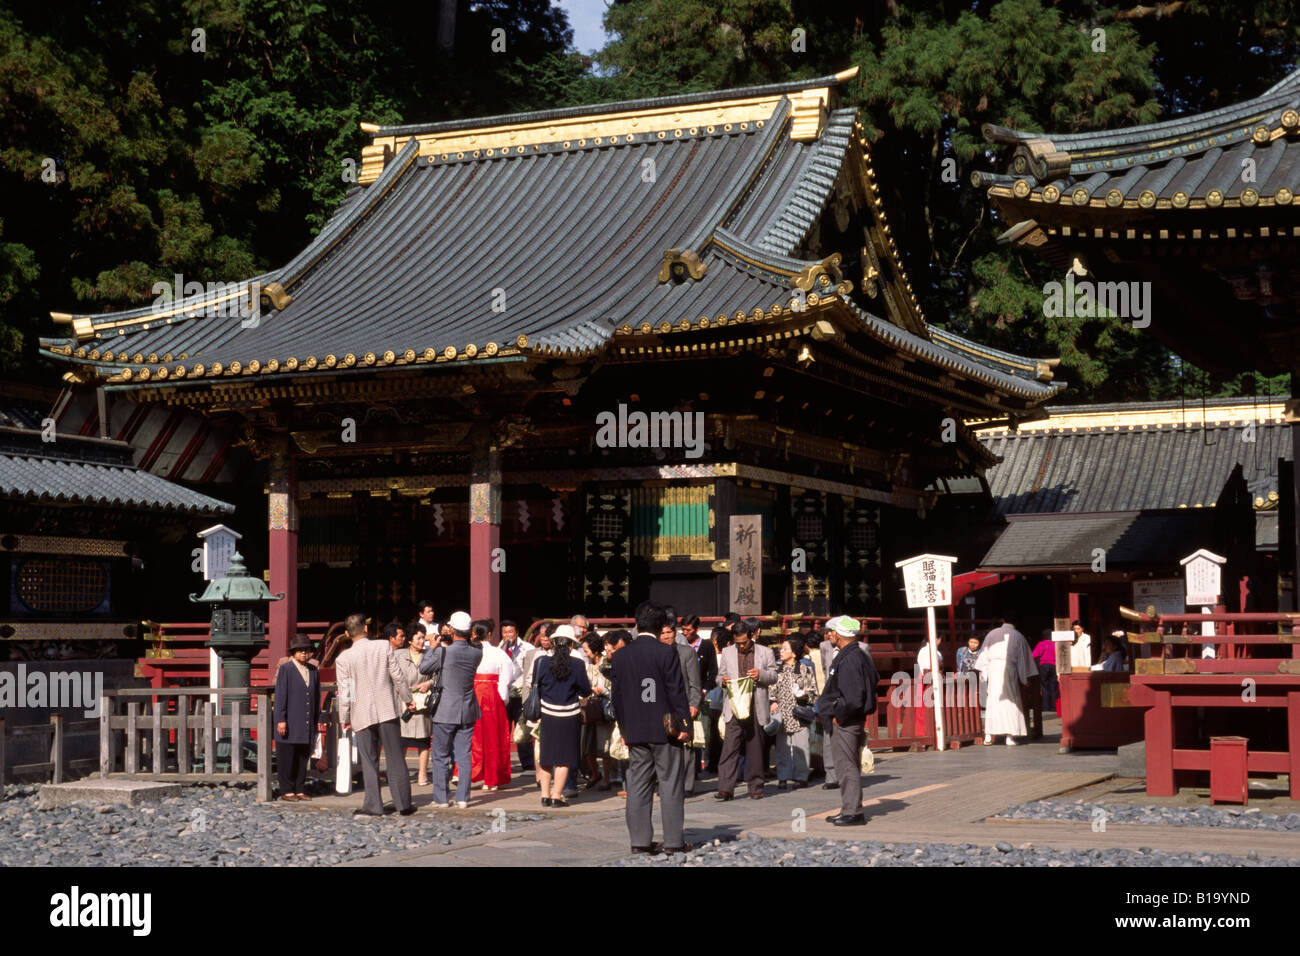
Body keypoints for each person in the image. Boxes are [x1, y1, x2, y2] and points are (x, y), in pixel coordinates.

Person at [612, 603, 691, 853]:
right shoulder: (666, 652)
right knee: (670, 783)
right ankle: (673, 842)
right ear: (660, 627)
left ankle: (640, 842)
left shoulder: (621, 655)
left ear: (637, 624)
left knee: (637, 784)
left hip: (634, 728)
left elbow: (617, 697)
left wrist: (624, 729)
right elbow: (677, 693)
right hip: (665, 729)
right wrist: (685, 725)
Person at [336, 613, 415, 816]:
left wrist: (343, 718)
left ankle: (373, 805)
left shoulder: (344, 658)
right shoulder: (382, 646)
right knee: (395, 756)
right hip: (386, 708)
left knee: (369, 760)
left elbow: (347, 692)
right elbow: (397, 675)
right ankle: (403, 803)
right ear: (366, 629)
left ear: (346, 633)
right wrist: (408, 698)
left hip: (361, 712)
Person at [816, 615, 876, 826]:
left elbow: (852, 697)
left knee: (846, 765)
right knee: (846, 765)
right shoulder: (856, 653)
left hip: (846, 720)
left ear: (840, 634)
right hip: (848, 718)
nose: (829, 635)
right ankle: (848, 808)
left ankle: (853, 811)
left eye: (832, 632)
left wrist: (838, 716)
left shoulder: (850, 658)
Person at [421, 610, 482, 809]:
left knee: (440, 755)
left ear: (453, 630)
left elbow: (424, 668)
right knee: (464, 754)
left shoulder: (444, 651)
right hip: (468, 707)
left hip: (446, 708)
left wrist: (432, 648)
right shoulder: (476, 652)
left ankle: (441, 798)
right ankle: (463, 797)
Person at [716, 617, 778, 801]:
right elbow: (718, 677)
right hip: (734, 704)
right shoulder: (727, 652)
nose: (741, 646)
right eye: (737, 643)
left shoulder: (765, 652)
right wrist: (723, 681)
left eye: (744, 643)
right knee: (729, 747)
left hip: (755, 704)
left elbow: (774, 676)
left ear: (751, 636)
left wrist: (761, 675)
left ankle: (756, 787)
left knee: (756, 748)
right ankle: (725, 788)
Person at [533, 625, 592, 807]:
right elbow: (585, 690)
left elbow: (537, 687)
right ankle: (557, 796)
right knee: (564, 757)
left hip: (548, 713)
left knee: (547, 756)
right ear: (572, 645)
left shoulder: (541, 662)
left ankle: (545, 794)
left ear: (553, 643)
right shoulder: (578, 665)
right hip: (569, 714)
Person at [974, 619, 1038, 746]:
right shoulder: (1018, 636)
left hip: (993, 668)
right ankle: (1010, 736)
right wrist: (1024, 678)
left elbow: (984, 654)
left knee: (993, 701)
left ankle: (988, 735)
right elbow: (1022, 659)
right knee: (1011, 701)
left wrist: (984, 672)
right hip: (1009, 669)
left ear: (1003, 621)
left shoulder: (992, 634)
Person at [274, 633, 321, 801]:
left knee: (303, 756)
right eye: (300, 651)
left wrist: (318, 720)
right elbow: (280, 695)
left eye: (306, 650)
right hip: (290, 719)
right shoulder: (286, 669)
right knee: (287, 756)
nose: (303, 653)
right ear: (293, 652)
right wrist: (280, 719)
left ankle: (300, 788)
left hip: (307, 720)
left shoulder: (313, 670)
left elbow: (316, 697)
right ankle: (287, 789)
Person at [659, 618, 702, 795]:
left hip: (683, 703)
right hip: (661, 704)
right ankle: (666, 785)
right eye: (662, 633)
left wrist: (694, 703)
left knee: (685, 746)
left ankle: (687, 785)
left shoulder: (686, 652)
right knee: (663, 746)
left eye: (669, 632)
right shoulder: (656, 653)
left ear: (675, 633)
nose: (666, 636)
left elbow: (695, 682)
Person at [469, 621, 512, 791]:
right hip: (492, 694)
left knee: (473, 736)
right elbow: (507, 676)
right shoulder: (499, 653)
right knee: (494, 736)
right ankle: (491, 779)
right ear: (489, 634)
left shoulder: (470, 651)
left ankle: (467, 773)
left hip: (472, 693)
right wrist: (503, 696)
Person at [770, 636, 816, 790]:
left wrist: (804, 695)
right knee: (782, 747)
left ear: (794, 653)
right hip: (781, 713)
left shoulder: (805, 669)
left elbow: (814, 693)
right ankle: (782, 777)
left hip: (799, 713)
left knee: (801, 746)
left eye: (784, 649)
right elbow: (771, 689)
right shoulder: (776, 668)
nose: (780, 651)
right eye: (781, 648)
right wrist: (772, 702)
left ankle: (801, 777)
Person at [390, 623, 432, 787]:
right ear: (410, 640)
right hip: (403, 700)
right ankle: (402, 773)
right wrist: (405, 697)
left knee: (423, 741)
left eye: (423, 637)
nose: (422, 641)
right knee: (402, 740)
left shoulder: (429, 654)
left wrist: (428, 683)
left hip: (422, 700)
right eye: (419, 638)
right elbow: (393, 677)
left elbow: (437, 675)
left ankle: (422, 774)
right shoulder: (398, 655)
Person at [500, 620, 536, 774]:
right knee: (503, 728)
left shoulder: (527, 648)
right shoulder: (499, 648)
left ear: (517, 633)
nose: (508, 635)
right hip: (506, 693)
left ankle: (527, 762)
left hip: (521, 693)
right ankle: (503, 762)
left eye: (511, 632)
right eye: (505, 632)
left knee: (522, 727)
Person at [579, 633, 614, 790]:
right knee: (587, 745)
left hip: (604, 707)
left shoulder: (607, 664)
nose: (585, 653)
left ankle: (606, 777)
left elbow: (614, 686)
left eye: (587, 650)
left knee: (604, 745)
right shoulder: (587, 666)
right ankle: (595, 772)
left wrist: (603, 690)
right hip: (590, 708)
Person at [1032, 630, 1058, 714]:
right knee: (1053, 686)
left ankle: (1046, 707)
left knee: (1044, 686)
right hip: (1054, 666)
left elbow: (1034, 655)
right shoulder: (1056, 644)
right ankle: (1054, 707)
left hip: (1044, 666)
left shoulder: (1041, 644)